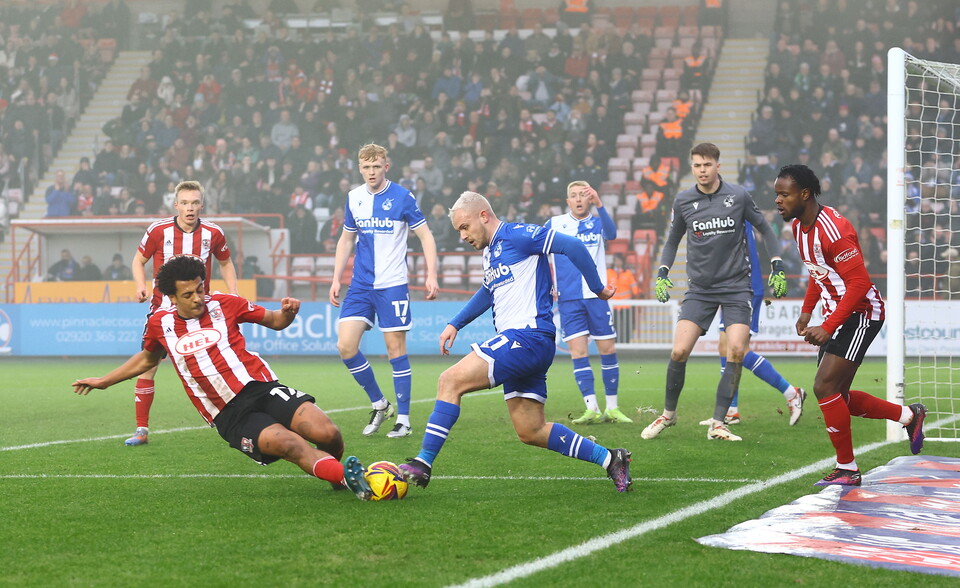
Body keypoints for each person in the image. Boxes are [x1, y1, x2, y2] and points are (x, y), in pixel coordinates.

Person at [72, 256, 373, 500]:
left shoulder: (226, 303)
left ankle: (337, 478)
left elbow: (274, 321)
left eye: (200, 289)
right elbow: (149, 358)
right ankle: (345, 476)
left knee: (327, 432)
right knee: (290, 444)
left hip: (263, 388)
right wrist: (104, 381)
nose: (198, 299)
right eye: (188, 295)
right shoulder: (159, 323)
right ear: (172, 297)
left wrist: (288, 313)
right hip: (229, 414)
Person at [396, 191, 631, 493]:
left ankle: (423, 462)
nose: (462, 235)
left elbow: (571, 245)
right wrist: (456, 323)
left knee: (449, 381)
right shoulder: (491, 252)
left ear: (483, 215)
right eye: (458, 230)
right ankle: (611, 458)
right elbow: (487, 291)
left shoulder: (518, 235)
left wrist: (597, 287)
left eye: (464, 227)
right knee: (530, 430)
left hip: (527, 336)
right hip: (528, 343)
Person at [773, 164, 926, 486]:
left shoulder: (834, 230)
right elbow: (819, 272)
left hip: (860, 312)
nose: (778, 200)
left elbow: (859, 284)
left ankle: (847, 469)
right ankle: (908, 416)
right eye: (777, 194)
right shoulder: (800, 227)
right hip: (837, 314)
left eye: (783, 194)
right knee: (836, 396)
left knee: (824, 388)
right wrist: (807, 310)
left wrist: (827, 325)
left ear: (804, 194)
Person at [642, 142, 787, 442]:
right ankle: (668, 415)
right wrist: (662, 271)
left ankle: (718, 423)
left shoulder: (738, 196)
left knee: (735, 350)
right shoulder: (683, 200)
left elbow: (766, 229)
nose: (702, 170)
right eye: (697, 165)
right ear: (692, 167)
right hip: (700, 290)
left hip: (736, 288)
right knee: (679, 350)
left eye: (707, 165)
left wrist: (777, 264)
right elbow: (672, 241)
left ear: (718, 166)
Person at [330, 144, 439, 439]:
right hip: (361, 285)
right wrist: (336, 278)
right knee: (345, 346)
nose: (371, 173)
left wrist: (431, 274)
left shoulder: (403, 197)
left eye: (376, 167)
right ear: (359, 169)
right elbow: (345, 240)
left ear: (386, 167)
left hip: (392, 285)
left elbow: (426, 236)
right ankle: (380, 404)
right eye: (366, 168)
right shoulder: (354, 197)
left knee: (395, 351)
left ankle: (403, 419)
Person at [126, 180, 239, 447]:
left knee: (219, 362)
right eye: (185, 203)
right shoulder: (158, 230)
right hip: (163, 312)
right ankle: (141, 429)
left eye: (195, 202)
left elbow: (226, 262)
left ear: (202, 204)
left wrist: (233, 293)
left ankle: (232, 416)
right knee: (150, 363)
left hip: (200, 310)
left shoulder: (213, 232)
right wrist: (141, 286)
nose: (190, 208)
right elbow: (138, 260)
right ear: (176, 205)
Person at [696, 221, 806, 427]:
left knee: (739, 350)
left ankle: (791, 392)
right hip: (730, 287)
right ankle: (731, 409)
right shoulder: (724, 212)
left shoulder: (733, 210)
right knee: (725, 347)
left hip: (745, 288)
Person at [545, 181, 632, 425]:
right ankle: (591, 407)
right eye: (573, 196)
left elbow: (613, 234)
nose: (579, 199)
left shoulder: (596, 221)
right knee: (578, 353)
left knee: (608, 350)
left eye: (583, 195)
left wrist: (601, 205)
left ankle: (612, 408)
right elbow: (538, 249)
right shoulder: (555, 224)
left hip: (597, 297)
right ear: (568, 201)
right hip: (569, 299)